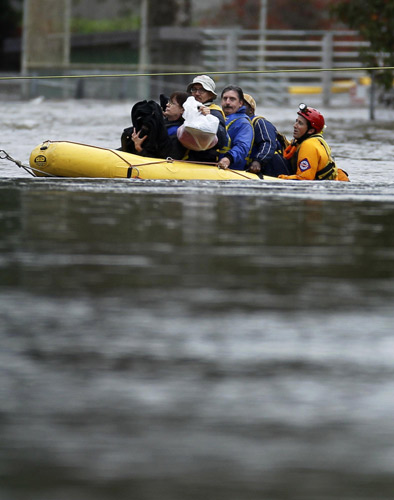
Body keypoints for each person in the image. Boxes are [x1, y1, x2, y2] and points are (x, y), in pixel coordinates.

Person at [279, 103, 350, 181]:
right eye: (296, 121)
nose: (295, 125)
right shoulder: (306, 141)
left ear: (311, 130)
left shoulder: (308, 146)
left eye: (300, 123)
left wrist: (280, 178)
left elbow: (305, 179)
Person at [243, 93, 292, 177]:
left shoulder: (260, 122)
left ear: (251, 110)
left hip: (273, 165)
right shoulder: (236, 124)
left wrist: (258, 161)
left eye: (242, 104)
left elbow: (268, 143)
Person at [131, 91, 189, 160]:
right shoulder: (160, 123)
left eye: (172, 103)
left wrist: (139, 148)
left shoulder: (177, 132)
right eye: (169, 102)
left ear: (182, 110)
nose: (167, 105)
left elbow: (164, 158)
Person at [185, 75, 228, 163]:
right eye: (194, 89)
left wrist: (208, 118)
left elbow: (222, 140)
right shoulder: (187, 108)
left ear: (210, 95)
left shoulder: (215, 112)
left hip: (202, 162)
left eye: (202, 90)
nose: (197, 93)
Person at [217, 85, 254, 170]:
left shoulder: (243, 123)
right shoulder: (216, 118)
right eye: (225, 99)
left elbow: (242, 146)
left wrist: (228, 158)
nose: (227, 102)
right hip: (212, 164)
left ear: (240, 103)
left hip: (231, 168)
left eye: (232, 99)